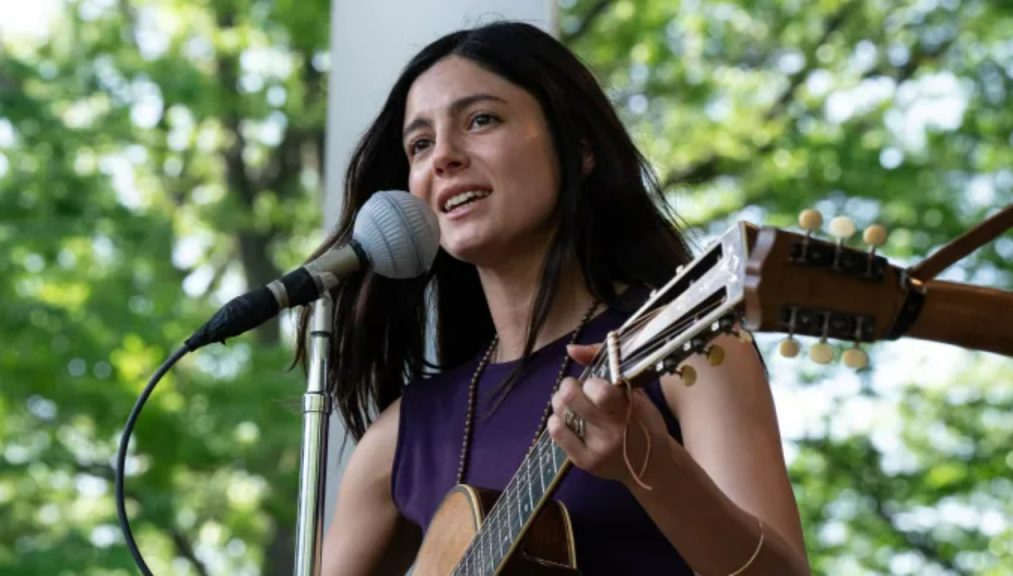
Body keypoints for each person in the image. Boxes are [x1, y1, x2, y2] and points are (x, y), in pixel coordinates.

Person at [299, 21, 809, 575]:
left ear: (581, 148)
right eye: (420, 144)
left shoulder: (689, 352)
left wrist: (653, 465)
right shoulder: (401, 437)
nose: (442, 156)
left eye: (481, 120)